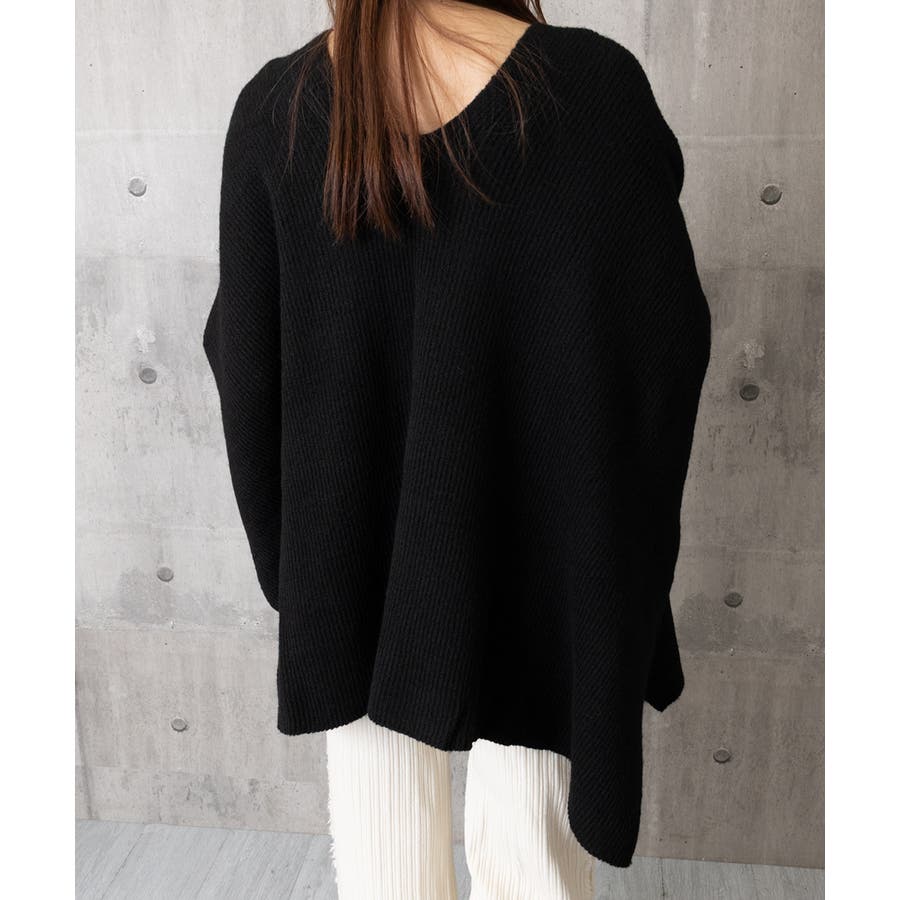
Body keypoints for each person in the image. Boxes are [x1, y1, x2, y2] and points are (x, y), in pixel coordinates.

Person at [202, 1, 712, 897]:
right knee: (536, 858)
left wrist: (305, 576)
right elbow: (659, 356)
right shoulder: (591, 90)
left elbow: (244, 369)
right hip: (548, 571)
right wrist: (614, 579)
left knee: (386, 855)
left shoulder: (274, 110)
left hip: (353, 565)